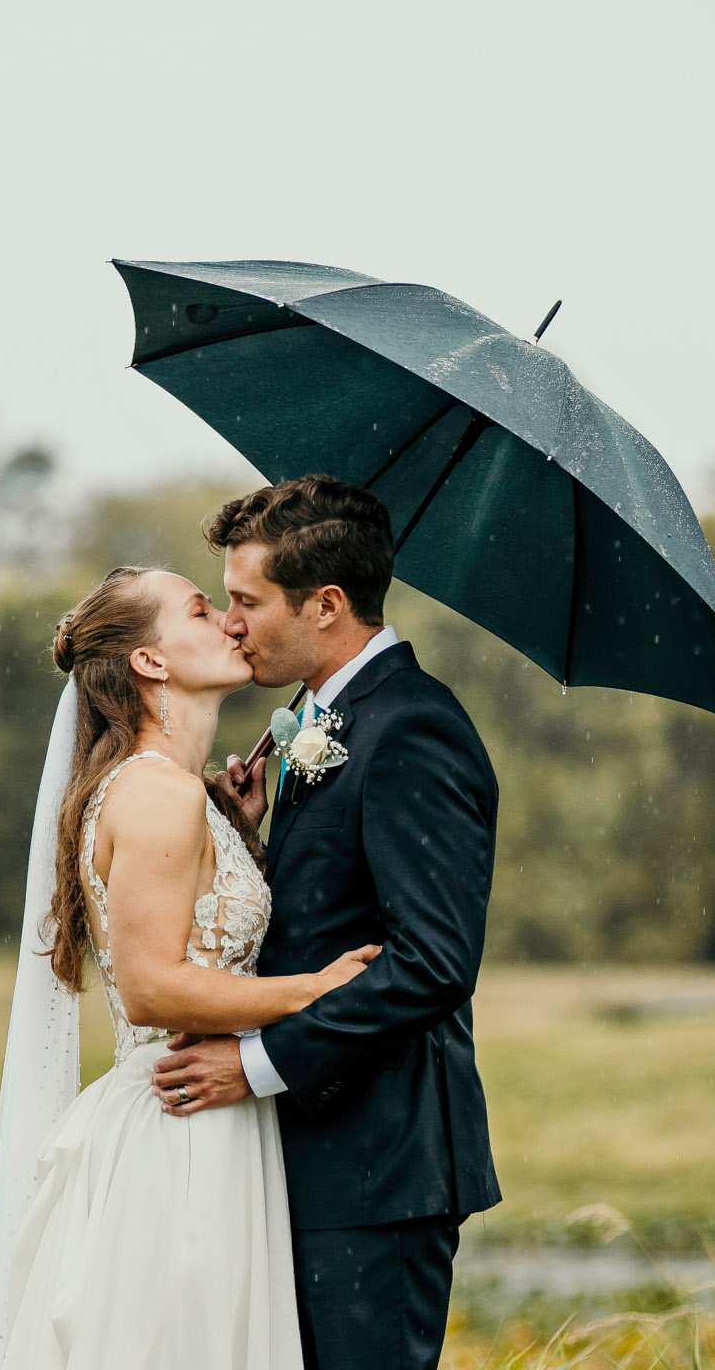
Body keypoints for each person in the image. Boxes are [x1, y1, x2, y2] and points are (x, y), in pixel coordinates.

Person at [0, 564, 381, 1370]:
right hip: (180, 1134)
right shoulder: (157, 795)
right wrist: (314, 988)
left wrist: (237, 829)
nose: (232, 623)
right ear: (150, 662)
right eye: (202, 610)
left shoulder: (178, 793)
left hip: (207, 1117)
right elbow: (154, 986)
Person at [152, 475, 502, 1370]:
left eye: (246, 601)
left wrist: (257, 1064)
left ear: (329, 605)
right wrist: (243, 837)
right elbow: (324, 912)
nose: (230, 623)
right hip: (314, 1156)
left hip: (377, 1168)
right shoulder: (329, 721)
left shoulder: (414, 728)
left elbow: (431, 963)